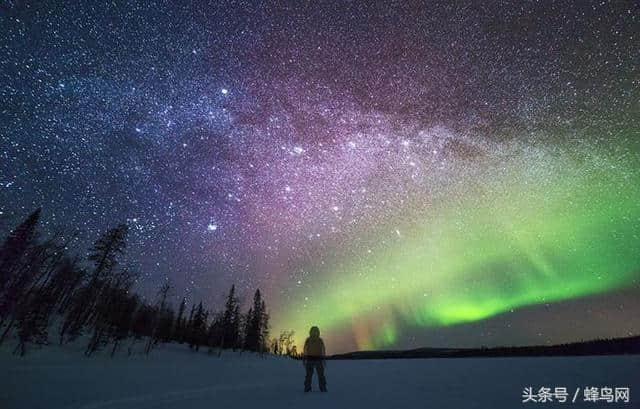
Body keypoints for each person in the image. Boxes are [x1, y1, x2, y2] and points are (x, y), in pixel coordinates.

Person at [303, 326, 327, 392]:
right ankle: (308, 388)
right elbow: (305, 350)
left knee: (319, 375)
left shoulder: (319, 340)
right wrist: (304, 359)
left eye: (315, 331)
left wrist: (323, 359)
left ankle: (322, 388)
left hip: (317, 359)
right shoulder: (309, 340)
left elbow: (323, 350)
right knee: (310, 375)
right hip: (312, 359)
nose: (314, 333)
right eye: (313, 331)